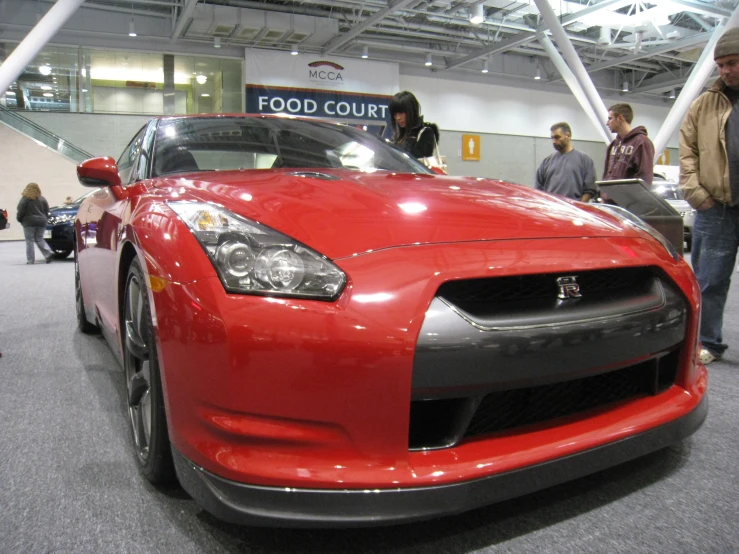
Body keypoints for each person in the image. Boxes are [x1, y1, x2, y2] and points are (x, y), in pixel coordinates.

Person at [679, 26, 739, 364]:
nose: (726, 70)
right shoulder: (704, 105)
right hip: (715, 207)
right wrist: (695, 192)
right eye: (721, 65)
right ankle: (708, 343)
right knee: (709, 281)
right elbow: (686, 150)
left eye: (733, 62)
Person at [535, 122, 597, 202]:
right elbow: (538, 189)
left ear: (568, 136)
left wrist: (579, 208)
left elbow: (590, 189)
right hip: (551, 209)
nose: (554, 141)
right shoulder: (546, 161)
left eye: (557, 137)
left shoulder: (584, 159)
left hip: (573, 209)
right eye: (552, 138)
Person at [603, 103, 655, 184]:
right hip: (609, 195)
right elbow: (606, 175)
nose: (607, 123)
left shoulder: (642, 142)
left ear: (620, 118)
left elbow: (645, 178)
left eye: (610, 118)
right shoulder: (613, 145)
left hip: (628, 196)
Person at [388, 91, 439, 159]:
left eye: (401, 113)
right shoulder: (398, 136)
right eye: (395, 114)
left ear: (411, 111)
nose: (398, 118)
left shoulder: (425, 132)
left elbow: (414, 161)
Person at [16, 182, 54, 265]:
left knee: (29, 241)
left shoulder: (25, 199)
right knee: (39, 238)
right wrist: (45, 218)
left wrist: (19, 219)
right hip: (42, 221)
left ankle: (30, 260)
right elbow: (46, 210)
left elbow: (21, 211)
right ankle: (48, 253)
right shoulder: (42, 199)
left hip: (29, 222)